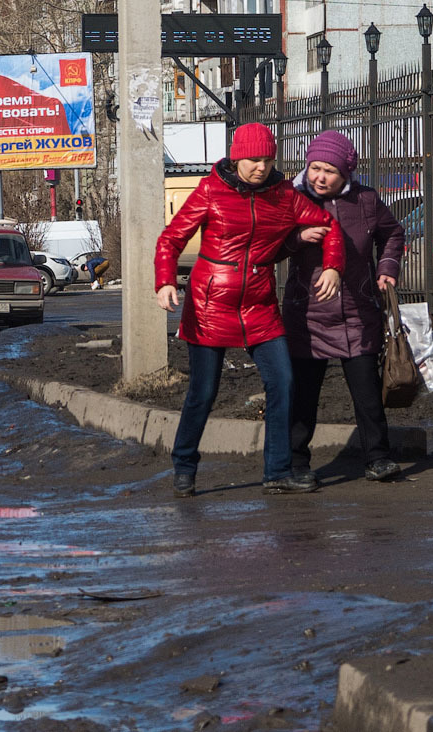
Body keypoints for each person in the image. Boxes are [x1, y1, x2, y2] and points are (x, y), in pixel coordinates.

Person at [154, 122, 345, 498]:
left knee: (283, 382)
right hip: (210, 302)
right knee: (203, 391)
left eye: (268, 159)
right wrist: (164, 281)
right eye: (254, 159)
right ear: (238, 157)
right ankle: (185, 466)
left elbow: (329, 225)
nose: (261, 166)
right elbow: (171, 238)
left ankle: (277, 471)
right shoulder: (211, 190)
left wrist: (334, 265)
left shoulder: (285, 195)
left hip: (259, 303)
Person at [281, 130, 405, 485]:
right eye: (315, 168)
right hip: (308, 315)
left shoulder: (366, 201)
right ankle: (297, 464)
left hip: (357, 311)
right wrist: (297, 238)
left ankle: (378, 459)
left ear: (346, 173)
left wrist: (387, 270)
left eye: (329, 171)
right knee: (303, 397)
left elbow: (393, 234)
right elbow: (270, 242)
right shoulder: (293, 198)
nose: (320, 177)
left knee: (368, 394)